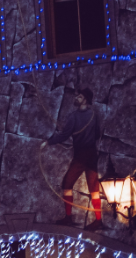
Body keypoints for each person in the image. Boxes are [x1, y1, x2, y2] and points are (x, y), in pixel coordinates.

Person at [42, 87, 103, 230]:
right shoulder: (94, 115)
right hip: (92, 154)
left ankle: (68, 218)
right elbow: (97, 134)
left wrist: (48, 142)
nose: (76, 98)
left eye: (79, 97)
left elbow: (64, 135)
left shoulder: (73, 116)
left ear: (85, 100)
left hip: (81, 155)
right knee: (93, 188)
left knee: (67, 184)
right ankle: (99, 220)